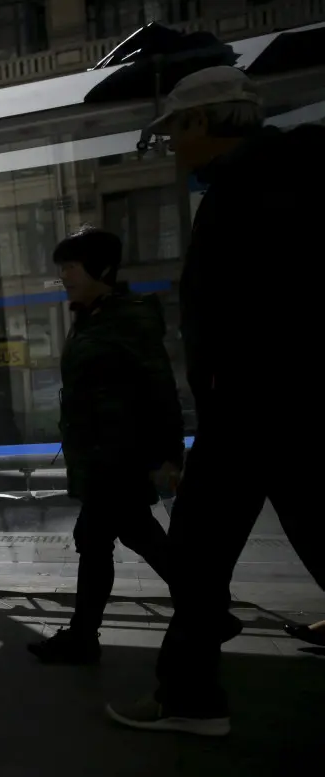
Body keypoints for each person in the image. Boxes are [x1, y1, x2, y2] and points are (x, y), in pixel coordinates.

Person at [106, 66, 325, 735]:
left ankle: (191, 697)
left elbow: (256, 302)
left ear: (203, 123)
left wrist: (229, 379)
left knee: (198, 554)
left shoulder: (253, 189)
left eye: (175, 128)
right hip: (275, 402)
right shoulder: (283, 176)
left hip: (258, 404)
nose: (172, 144)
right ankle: (189, 693)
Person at [27, 227, 228, 665]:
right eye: (61, 267)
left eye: (72, 266)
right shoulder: (92, 317)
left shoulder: (128, 317)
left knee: (103, 538)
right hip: (103, 454)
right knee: (124, 536)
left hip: (120, 454)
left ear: (102, 269)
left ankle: (89, 637)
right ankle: (206, 610)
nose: (64, 275)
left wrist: (171, 453)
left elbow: (161, 387)